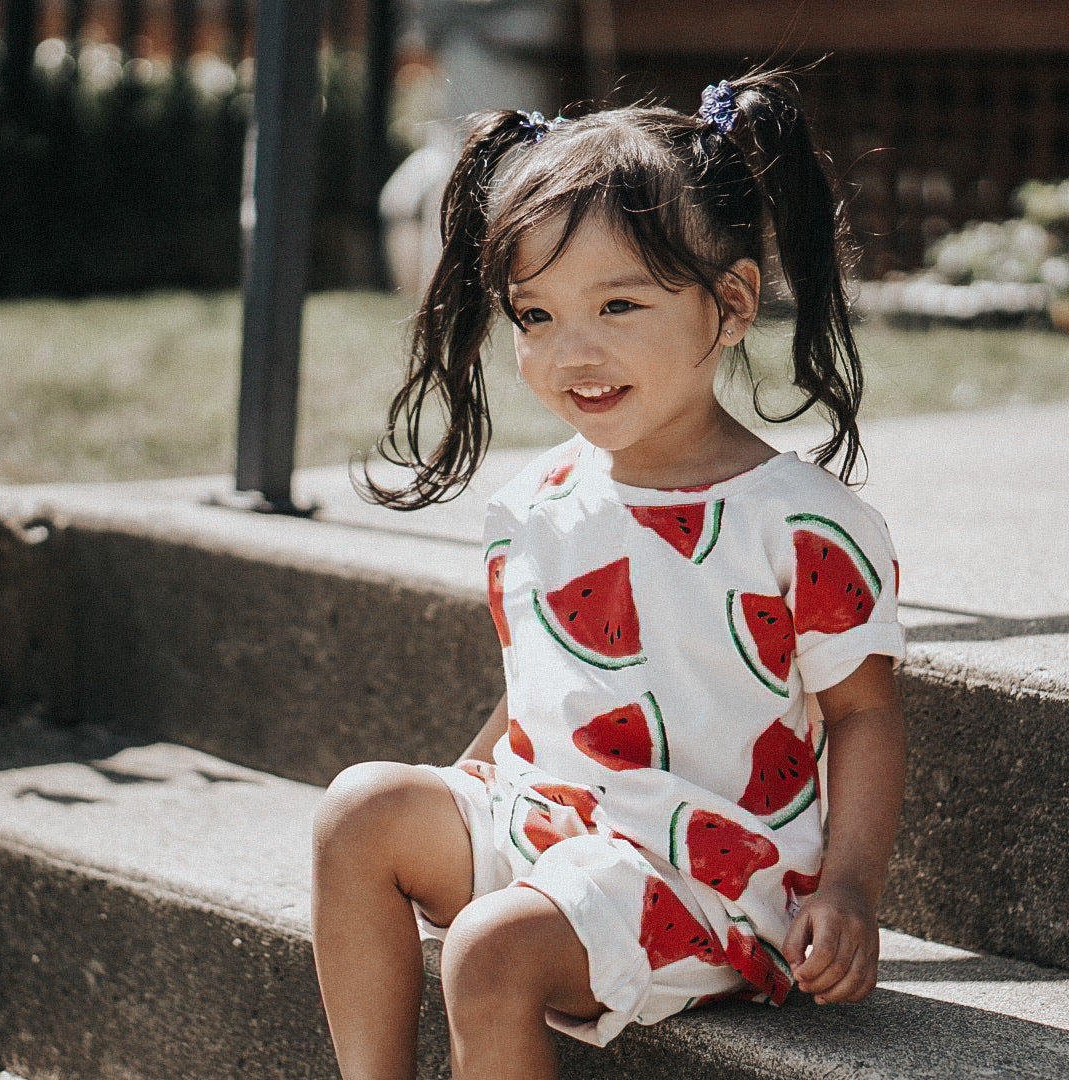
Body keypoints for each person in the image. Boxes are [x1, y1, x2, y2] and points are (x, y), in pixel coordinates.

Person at [312, 70, 907, 1080]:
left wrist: (848, 888)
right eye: (534, 316)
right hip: (554, 822)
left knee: (490, 948)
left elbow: (863, 715)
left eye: (617, 304)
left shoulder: (798, 523)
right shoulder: (537, 500)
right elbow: (549, 685)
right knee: (358, 808)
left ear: (729, 304)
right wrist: (461, 789)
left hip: (712, 873)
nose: (568, 353)